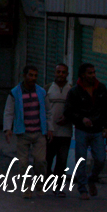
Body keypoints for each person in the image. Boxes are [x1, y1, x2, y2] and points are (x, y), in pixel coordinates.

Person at [3, 64, 50, 199]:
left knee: (40, 161)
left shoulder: (41, 92)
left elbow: (48, 112)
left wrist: (49, 128)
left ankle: (40, 185)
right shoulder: (15, 92)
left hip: (39, 132)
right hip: (23, 133)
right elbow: (9, 112)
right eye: (30, 75)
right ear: (24, 76)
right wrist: (8, 129)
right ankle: (26, 188)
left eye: (35, 76)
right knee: (23, 163)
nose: (33, 78)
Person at [66, 62, 107, 200]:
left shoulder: (101, 88)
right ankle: (82, 189)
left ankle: (92, 179)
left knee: (101, 159)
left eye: (94, 72)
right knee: (81, 160)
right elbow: (69, 111)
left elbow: (105, 109)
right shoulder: (75, 91)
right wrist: (81, 119)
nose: (93, 75)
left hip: (97, 130)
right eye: (90, 73)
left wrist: (105, 126)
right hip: (82, 130)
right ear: (83, 74)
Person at [47, 63, 73, 196]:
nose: (61, 75)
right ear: (55, 73)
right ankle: (46, 180)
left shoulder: (72, 90)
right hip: (50, 131)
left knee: (62, 161)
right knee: (47, 159)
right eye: (59, 72)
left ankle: (58, 187)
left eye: (63, 72)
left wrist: (68, 118)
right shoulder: (48, 89)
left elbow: (76, 109)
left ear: (67, 74)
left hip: (65, 132)